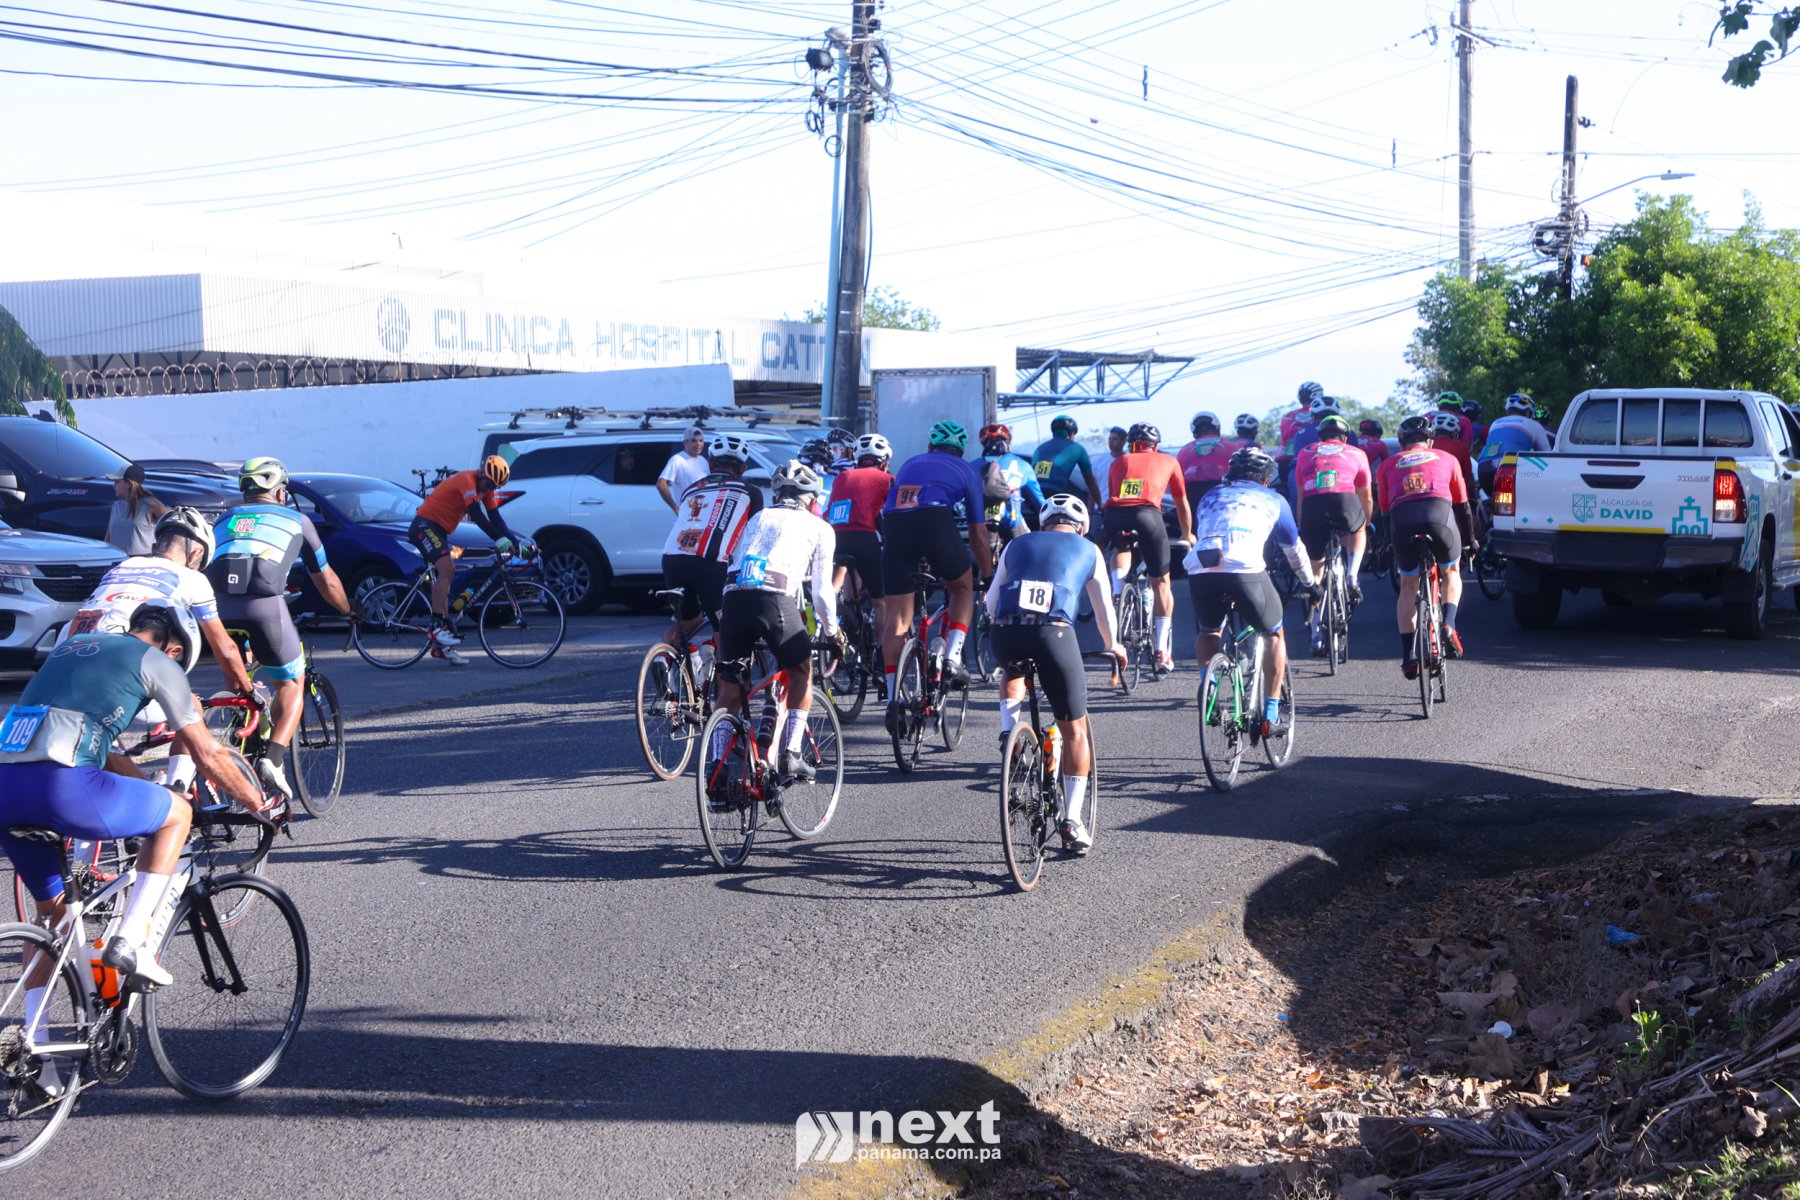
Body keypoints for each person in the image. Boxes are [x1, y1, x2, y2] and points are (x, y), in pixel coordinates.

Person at [0, 601, 270, 1017]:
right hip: (63, 788)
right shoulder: (157, 661)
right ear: (175, 649)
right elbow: (207, 754)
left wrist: (146, 792)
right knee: (178, 815)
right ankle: (130, 942)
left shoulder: (73, 647)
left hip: (6, 786)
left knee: (53, 921)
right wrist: (261, 803)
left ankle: (35, 1040)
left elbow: (104, 752)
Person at [985, 494, 1123, 855]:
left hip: (1005, 632)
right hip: (1054, 634)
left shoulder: (1016, 544)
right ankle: (1072, 822)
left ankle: (1009, 731)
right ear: (1082, 527)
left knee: (1014, 666)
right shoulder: (1089, 549)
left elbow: (991, 603)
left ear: (1043, 524)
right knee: (1075, 730)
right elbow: (1103, 610)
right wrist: (1114, 645)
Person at [210, 457, 354, 796]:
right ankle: (272, 760)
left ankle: (242, 735)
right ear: (279, 492)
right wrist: (349, 610)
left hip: (215, 608)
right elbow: (327, 580)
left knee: (238, 679)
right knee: (290, 683)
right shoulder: (297, 520)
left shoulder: (224, 518)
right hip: (264, 606)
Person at [712, 461, 837, 782]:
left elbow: (732, 560)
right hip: (774, 599)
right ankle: (792, 753)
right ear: (812, 499)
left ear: (777, 495)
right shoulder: (820, 527)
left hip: (733, 596)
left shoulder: (758, 517)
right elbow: (821, 593)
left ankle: (715, 764)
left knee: (730, 688)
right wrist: (833, 632)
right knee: (801, 671)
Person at [1185, 447, 1318, 737]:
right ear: (1266, 479)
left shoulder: (1210, 496)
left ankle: (1208, 688)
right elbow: (1294, 552)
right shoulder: (1274, 499)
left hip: (1200, 569)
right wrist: (1311, 585)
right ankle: (1270, 715)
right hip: (1244, 569)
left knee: (1210, 630)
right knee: (1274, 635)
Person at [60, 506, 255, 698]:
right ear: (196, 554)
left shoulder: (123, 566)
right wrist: (250, 691)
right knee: (186, 707)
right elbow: (224, 647)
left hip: (66, 647)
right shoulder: (192, 578)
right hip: (121, 654)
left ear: (153, 547)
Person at [881, 420, 996, 719]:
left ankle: (893, 700)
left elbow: (908, 505)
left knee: (897, 619)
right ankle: (952, 658)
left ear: (930, 446)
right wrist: (987, 577)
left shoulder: (910, 463)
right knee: (962, 588)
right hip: (935, 520)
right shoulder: (968, 471)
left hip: (894, 523)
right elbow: (978, 534)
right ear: (961, 451)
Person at [1376, 415, 1475, 678]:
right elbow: (1463, 507)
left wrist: (1390, 542)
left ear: (1401, 442)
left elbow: (1384, 513)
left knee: (1408, 586)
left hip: (1402, 522)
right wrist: (1470, 541)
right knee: (1451, 572)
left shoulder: (1386, 465)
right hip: (1439, 517)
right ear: (1430, 441)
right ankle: (1448, 625)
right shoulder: (1447, 458)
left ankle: (1408, 657)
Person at [411, 454, 528, 664]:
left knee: (447, 577)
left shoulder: (486, 489)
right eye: (487, 484)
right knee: (447, 569)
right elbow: (477, 514)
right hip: (424, 525)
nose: (487, 490)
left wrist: (516, 542)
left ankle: (442, 647)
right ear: (482, 473)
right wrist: (498, 539)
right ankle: (436, 627)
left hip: (439, 530)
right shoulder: (466, 479)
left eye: (493, 487)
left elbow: (495, 519)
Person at [1102, 422, 1191, 672]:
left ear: (1131, 444)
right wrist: (1187, 534)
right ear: (1156, 445)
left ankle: (1118, 591)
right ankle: (1162, 651)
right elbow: (1181, 502)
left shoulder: (1118, 462)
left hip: (1114, 516)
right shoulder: (1169, 461)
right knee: (1161, 582)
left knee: (1121, 550)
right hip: (1148, 516)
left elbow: (1117, 496)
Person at [660, 433, 763, 649]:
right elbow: (754, 537)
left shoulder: (691, 489)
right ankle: (721, 668)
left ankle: (663, 657)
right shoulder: (751, 492)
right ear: (743, 468)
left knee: (687, 621)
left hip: (672, 557)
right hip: (709, 561)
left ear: (710, 463)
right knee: (723, 627)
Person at [1293, 415, 1374, 651]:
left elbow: (1301, 495)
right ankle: (1352, 576)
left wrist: (1302, 526)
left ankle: (1316, 634)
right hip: (1345, 502)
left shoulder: (1306, 452)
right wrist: (1366, 523)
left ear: (1320, 438)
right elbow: (1366, 496)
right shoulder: (1357, 453)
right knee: (1358, 530)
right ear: (1345, 438)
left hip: (1313, 506)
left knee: (1315, 574)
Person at [827, 433, 893, 598]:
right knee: (881, 599)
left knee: (849, 569)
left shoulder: (841, 477)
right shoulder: (887, 479)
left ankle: (845, 607)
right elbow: (894, 514)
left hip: (834, 538)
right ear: (884, 463)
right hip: (863, 538)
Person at [977, 424, 1046, 548]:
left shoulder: (972, 465)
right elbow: (1040, 503)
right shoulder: (1022, 465)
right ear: (1007, 443)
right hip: (1013, 520)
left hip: (980, 523)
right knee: (1028, 552)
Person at [1476, 393, 1554, 494]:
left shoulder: (1495, 423)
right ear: (1528, 413)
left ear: (1507, 411)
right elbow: (1547, 456)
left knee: (1492, 500)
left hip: (1484, 468)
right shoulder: (1534, 424)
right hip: (1511, 468)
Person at [1177, 412, 1245, 521]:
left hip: (1193, 501)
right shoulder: (1233, 446)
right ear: (1217, 427)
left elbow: (1178, 482)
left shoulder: (1184, 451)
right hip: (1227, 498)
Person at [1033, 414, 1103, 507]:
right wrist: (1100, 505)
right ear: (1071, 433)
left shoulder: (1039, 448)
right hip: (1056, 496)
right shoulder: (1078, 448)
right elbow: (1090, 482)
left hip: (1033, 495)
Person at [104, 462, 169, 557]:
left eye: (117, 482)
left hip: (143, 562)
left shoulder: (151, 504)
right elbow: (108, 537)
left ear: (128, 484)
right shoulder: (116, 506)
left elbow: (171, 525)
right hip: (117, 561)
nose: (114, 485)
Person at [1428, 411, 1480, 503]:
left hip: (1430, 495)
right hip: (1454, 497)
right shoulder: (1461, 447)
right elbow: (1468, 478)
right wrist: (1473, 498)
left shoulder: (1427, 446)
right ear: (1454, 433)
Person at [656, 429, 710, 511]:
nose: (698, 444)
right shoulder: (677, 460)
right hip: (687, 515)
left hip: (703, 512)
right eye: (694, 441)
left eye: (701, 441)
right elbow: (661, 484)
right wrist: (675, 508)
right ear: (685, 442)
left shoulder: (702, 460)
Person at [1088, 426, 1127, 497]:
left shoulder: (1129, 462)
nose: (1110, 442)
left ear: (1123, 442)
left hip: (1119, 503)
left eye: (1114, 439)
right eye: (1109, 439)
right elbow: (1092, 487)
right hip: (1101, 503)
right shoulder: (1099, 460)